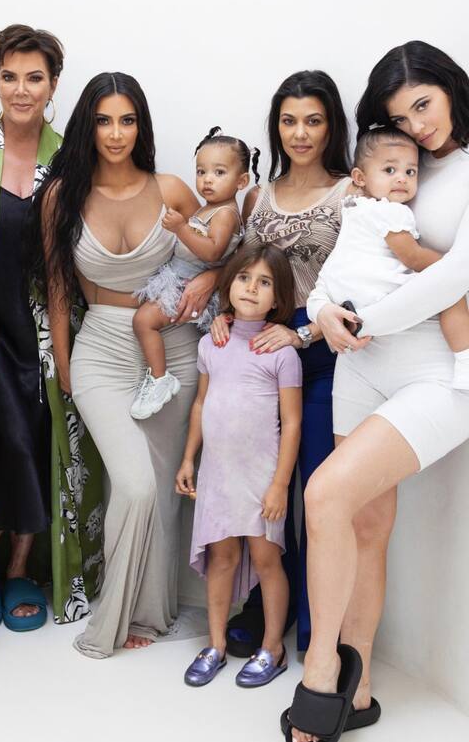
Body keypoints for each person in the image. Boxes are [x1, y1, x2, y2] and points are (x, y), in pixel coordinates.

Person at [284, 40, 469, 742]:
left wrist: (362, 321)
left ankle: (321, 673)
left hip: (438, 371)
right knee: (363, 523)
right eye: (402, 116)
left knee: (324, 494)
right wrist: (322, 313)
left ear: (450, 87)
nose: (418, 126)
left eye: (424, 104)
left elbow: (455, 277)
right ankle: (358, 689)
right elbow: (343, 262)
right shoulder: (386, 171)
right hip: (360, 363)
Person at [36, 72, 212, 658]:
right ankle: (110, 617)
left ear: (142, 126)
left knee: (159, 489)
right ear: (87, 126)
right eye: (104, 121)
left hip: (173, 351)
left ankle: (149, 614)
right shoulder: (63, 195)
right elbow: (58, 286)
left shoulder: (171, 189)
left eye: (127, 120)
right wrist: (65, 365)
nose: (116, 134)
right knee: (133, 484)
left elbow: (223, 253)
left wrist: (210, 279)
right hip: (102, 350)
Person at [0, 24, 104, 631]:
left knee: (36, 441)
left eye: (34, 78)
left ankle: (18, 570)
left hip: (42, 328)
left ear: (54, 85)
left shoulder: (71, 158)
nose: (21, 89)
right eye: (9, 76)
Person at [209, 70, 352, 656]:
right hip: (257, 360)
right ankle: (265, 609)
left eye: (313, 121)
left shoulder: (351, 193)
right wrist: (222, 314)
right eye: (289, 121)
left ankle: (320, 628)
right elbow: (240, 271)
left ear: (331, 126)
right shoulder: (255, 197)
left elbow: (363, 288)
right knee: (261, 493)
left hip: (321, 358)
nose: (300, 133)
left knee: (315, 494)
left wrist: (303, 335)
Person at [177, 245, 301, 688]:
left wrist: (280, 485)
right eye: (245, 278)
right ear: (229, 284)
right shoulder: (212, 342)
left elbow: (292, 423)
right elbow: (200, 404)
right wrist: (188, 458)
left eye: (264, 282)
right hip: (218, 472)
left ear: (278, 297)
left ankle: (273, 649)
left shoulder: (282, 353)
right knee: (221, 557)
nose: (251, 288)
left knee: (268, 560)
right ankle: (215, 645)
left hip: (261, 477)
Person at [307, 126, 469, 387]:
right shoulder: (392, 212)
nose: (402, 179)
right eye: (390, 170)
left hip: (342, 295)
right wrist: (450, 267)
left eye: (410, 172)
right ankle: (465, 361)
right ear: (359, 177)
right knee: (452, 295)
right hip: (375, 294)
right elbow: (413, 257)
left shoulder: (354, 206)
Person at [130, 126, 255, 419]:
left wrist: (181, 228)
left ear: (242, 181)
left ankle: (160, 379)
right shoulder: (208, 209)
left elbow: (212, 252)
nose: (207, 179)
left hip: (187, 283)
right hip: (177, 276)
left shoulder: (225, 214)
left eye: (219, 172)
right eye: (201, 172)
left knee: (143, 321)